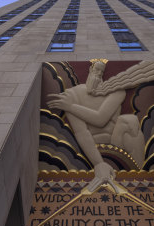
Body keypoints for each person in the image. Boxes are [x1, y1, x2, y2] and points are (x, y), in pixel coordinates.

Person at [47, 60, 145, 191]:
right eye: (96, 70)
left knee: (128, 120)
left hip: (119, 142)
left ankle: (138, 178)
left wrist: (70, 107)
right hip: (91, 148)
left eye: (101, 71)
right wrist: (99, 163)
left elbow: (100, 119)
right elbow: (81, 132)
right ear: (89, 70)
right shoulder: (72, 94)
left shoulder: (116, 91)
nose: (98, 74)